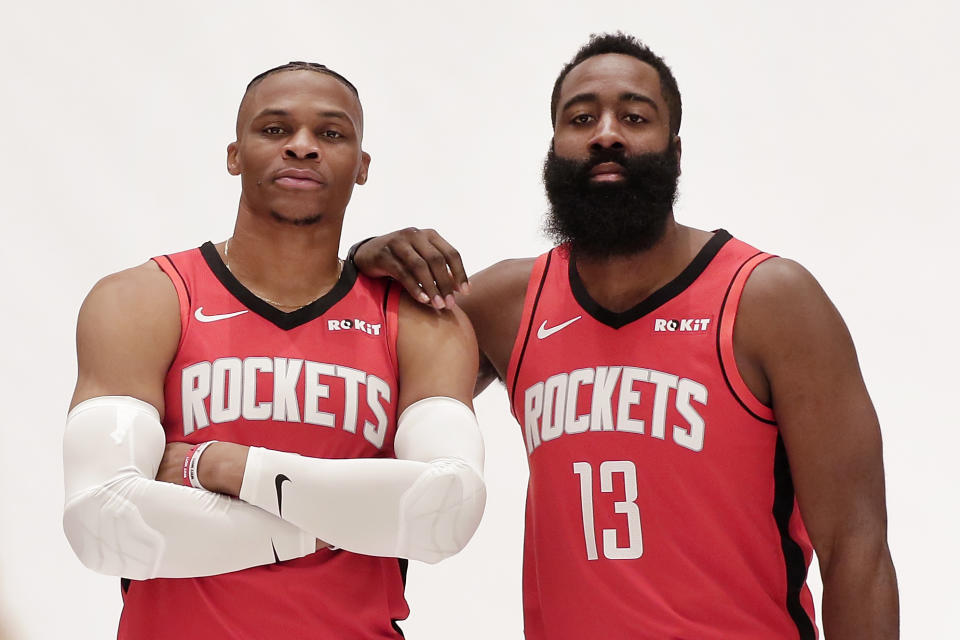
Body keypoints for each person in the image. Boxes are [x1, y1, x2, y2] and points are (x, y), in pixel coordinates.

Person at [353, 33, 899, 639]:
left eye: (634, 117)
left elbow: (858, 551)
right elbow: (351, 394)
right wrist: (361, 258)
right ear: (553, 148)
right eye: (581, 118)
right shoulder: (508, 304)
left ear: (676, 150)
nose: (605, 134)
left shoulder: (770, 300)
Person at [62, 61, 486, 639]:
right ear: (234, 154)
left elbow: (448, 512)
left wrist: (210, 465)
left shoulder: (417, 320)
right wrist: (358, 517)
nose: (303, 147)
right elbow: (103, 524)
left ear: (361, 167)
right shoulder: (145, 300)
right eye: (275, 129)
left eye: (331, 134)